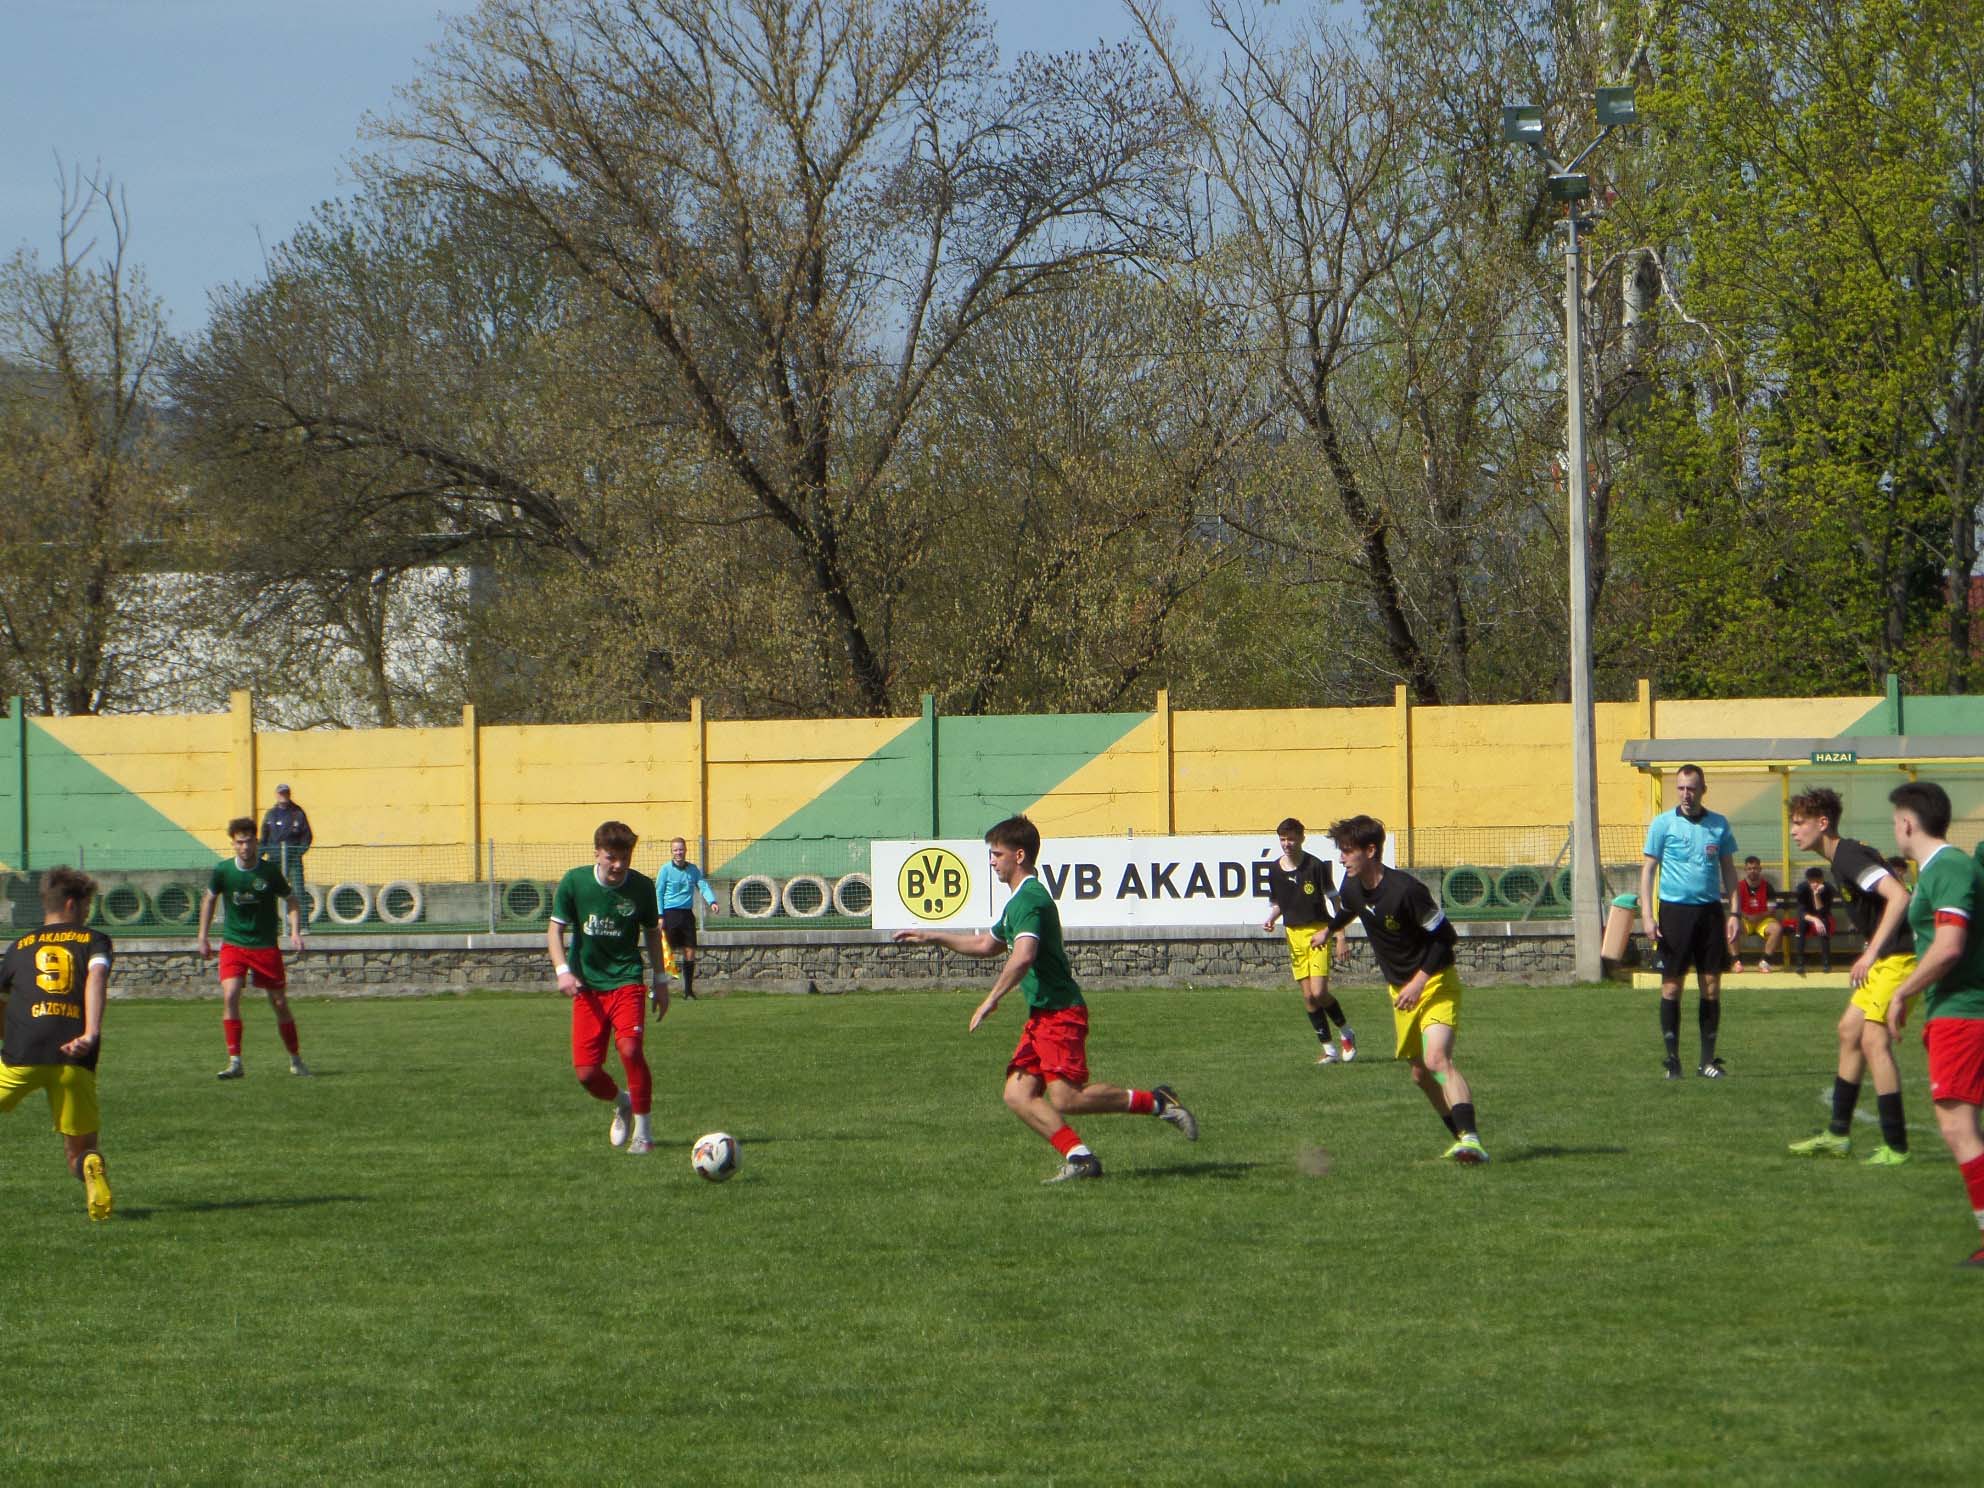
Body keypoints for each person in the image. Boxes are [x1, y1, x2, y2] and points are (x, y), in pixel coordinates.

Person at [891, 814, 1197, 1182]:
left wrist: (991, 999)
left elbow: (1023, 956)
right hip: (1042, 1015)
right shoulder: (1017, 901)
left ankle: (1159, 1101)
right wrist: (933, 936)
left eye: (997, 854)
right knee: (1017, 1094)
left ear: (1019, 855)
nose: (992, 862)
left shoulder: (1030, 899)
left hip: (1060, 1013)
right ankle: (1081, 1159)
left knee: (1068, 1099)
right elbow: (987, 944)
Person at [1321, 814, 1488, 1163]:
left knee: (1437, 1059)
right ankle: (1460, 1139)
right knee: (1419, 1074)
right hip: (1401, 993)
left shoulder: (1407, 891)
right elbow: (1350, 909)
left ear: (1370, 851)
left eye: (1347, 851)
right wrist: (1329, 931)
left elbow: (1446, 938)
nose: (1341, 858)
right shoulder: (1352, 885)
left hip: (1435, 983)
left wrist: (1418, 982)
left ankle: (1472, 1140)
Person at [1882, 782, 1984, 1266]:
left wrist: (1903, 991)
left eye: (1894, 821)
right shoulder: (1942, 870)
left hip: (1963, 1014)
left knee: (1958, 1128)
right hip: (1957, 1012)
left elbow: (1948, 946)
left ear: (1907, 823)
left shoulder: (1948, 868)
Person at [1784, 788, 1914, 1165]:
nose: (1793, 830)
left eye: (1800, 823)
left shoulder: (1849, 856)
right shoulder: (1840, 859)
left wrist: (1870, 953)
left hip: (1901, 957)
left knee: (1874, 1041)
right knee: (1849, 1031)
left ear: (1823, 823)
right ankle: (1838, 1135)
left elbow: (1899, 897)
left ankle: (1896, 1147)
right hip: (1887, 956)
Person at [0, 866, 115, 1220]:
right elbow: (96, 976)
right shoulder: (94, 939)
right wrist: (91, 1033)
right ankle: (90, 1166)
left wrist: (11, 1033)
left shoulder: (19, 946)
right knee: (79, 1152)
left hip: (21, 1055)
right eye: (86, 905)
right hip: (74, 1058)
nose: (87, 912)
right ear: (71, 904)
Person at [548, 821, 669, 1156]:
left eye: (624, 858)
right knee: (587, 1073)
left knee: (630, 1049)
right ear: (597, 854)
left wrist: (661, 982)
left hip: (627, 981)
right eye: (611, 857)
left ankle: (643, 1135)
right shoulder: (575, 883)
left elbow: (652, 934)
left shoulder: (642, 887)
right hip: (587, 988)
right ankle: (623, 1102)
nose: (618, 865)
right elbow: (554, 931)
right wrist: (562, 971)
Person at [1639, 764, 1739, 1079]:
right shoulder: (1663, 824)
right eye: (1681, 788)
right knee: (1672, 986)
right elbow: (1648, 870)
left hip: (1710, 913)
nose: (1686, 794)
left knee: (1711, 986)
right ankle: (1673, 1061)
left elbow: (1729, 870)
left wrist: (1735, 913)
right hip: (1674, 913)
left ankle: (1707, 1062)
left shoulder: (1719, 824)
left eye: (1692, 788)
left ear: (1703, 790)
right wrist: (1647, 915)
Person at [198, 817, 309, 1079]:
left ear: (256, 842)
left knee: (279, 1003)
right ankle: (235, 1062)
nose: (245, 847)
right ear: (233, 844)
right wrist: (202, 936)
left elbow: (292, 900)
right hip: (234, 944)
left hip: (264, 946)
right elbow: (209, 900)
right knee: (230, 995)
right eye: (240, 842)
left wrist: (294, 931)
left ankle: (295, 1059)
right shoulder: (223, 871)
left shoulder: (269, 872)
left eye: (249, 841)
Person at [1261, 817, 1356, 1063]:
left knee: (1319, 991)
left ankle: (1346, 1032)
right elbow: (1280, 903)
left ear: (1302, 838)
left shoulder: (1315, 866)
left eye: (1291, 839)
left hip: (1318, 932)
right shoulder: (1274, 870)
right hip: (1293, 935)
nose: (1287, 844)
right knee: (1308, 997)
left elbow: (1335, 901)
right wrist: (1271, 918)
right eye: (1283, 839)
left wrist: (1340, 935)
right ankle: (1329, 1050)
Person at [657, 837, 721, 1004]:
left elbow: (703, 886)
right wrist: (660, 915)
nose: (678, 852)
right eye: (675, 850)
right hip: (670, 914)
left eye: (681, 849)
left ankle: (688, 991)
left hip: (686, 915)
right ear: (672, 852)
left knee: (690, 951)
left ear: (685, 850)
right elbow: (659, 892)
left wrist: (712, 901)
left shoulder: (692, 869)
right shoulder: (665, 870)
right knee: (666, 953)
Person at [1727, 856, 1783, 972]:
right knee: (1730, 926)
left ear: (1760, 869)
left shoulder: (1768, 886)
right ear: (1745, 870)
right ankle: (1736, 962)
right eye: (1749, 868)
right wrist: (1747, 916)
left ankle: (1765, 962)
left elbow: (1771, 909)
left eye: (1755, 868)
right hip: (1745, 920)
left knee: (1777, 929)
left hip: (1763, 920)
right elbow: (1734, 906)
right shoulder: (1738, 886)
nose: (1752, 871)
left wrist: (1757, 917)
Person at [259, 783, 313, 891]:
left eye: (285, 793)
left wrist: (297, 853)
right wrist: (259, 855)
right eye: (281, 793)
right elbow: (264, 837)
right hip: (274, 859)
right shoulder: (270, 814)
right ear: (276, 795)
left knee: (298, 890)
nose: (283, 796)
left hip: (293, 860)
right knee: (270, 890)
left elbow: (307, 836)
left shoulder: (298, 813)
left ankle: (298, 902)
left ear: (289, 794)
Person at [1794, 866, 1835, 974]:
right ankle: (1800, 964)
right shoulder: (1801, 889)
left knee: (1824, 925)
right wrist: (1815, 920)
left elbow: (1822, 912)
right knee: (1801, 925)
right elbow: (1801, 912)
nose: (1815, 884)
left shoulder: (1829, 889)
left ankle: (1826, 963)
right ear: (1808, 881)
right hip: (1807, 916)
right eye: (1812, 881)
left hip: (1823, 916)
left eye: (1818, 881)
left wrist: (1816, 894)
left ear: (1822, 880)